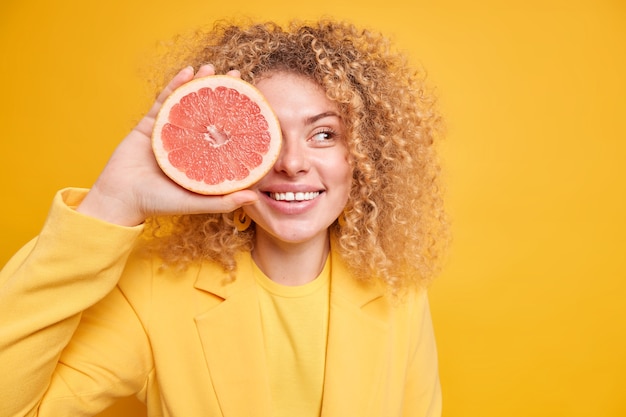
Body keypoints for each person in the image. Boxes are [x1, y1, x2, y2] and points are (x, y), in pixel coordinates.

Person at [0, 19, 447, 417]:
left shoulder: (399, 292)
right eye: (266, 134)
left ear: (364, 157)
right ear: (224, 150)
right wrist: (110, 202)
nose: (292, 163)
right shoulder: (152, 292)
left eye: (324, 134)